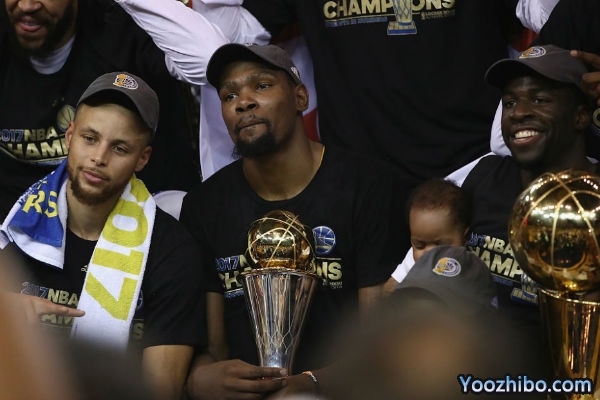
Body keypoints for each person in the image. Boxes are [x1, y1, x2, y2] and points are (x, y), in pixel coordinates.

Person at [178, 43, 409, 399]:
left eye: (262, 86)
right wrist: (201, 379)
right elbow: (211, 346)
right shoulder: (204, 205)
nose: (243, 102)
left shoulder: (368, 187)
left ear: (300, 97)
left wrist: (311, 384)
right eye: (229, 95)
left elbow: (380, 342)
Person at [0, 72, 204, 400]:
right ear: (69, 136)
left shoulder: (173, 251)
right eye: (90, 138)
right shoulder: (14, 227)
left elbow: (160, 391)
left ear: (143, 158)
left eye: (119, 148)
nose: (99, 158)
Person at [0, 0, 204, 220]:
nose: (27, 6)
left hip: (128, 221)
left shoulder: (124, 35)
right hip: (12, 224)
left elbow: (205, 59)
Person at [383, 178, 471, 293]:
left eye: (441, 246)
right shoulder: (412, 262)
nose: (429, 254)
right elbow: (389, 289)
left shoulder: (471, 266)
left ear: (465, 238)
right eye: (419, 245)